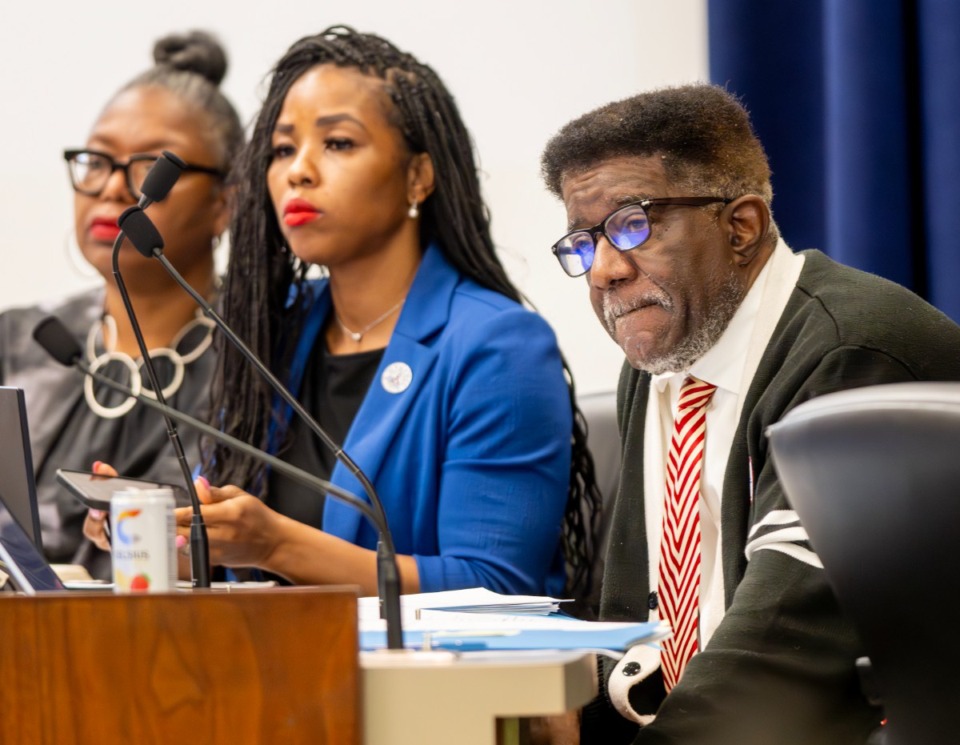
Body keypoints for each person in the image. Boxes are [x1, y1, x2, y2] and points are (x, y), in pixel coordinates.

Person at [539, 83, 960, 744]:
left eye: (631, 224)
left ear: (742, 226)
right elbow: (641, 630)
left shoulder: (850, 352)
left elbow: (784, 647)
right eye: (585, 243)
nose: (604, 272)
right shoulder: (657, 366)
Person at [142, 26, 598, 598]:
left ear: (418, 177)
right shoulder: (272, 330)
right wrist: (159, 539)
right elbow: (238, 572)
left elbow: (495, 586)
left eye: (337, 143)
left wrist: (275, 544)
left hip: (434, 682)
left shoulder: (498, 345)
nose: (298, 172)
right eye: (283, 149)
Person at [0, 31, 244, 579]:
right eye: (96, 161)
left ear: (226, 203)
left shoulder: (255, 354)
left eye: (148, 168)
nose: (111, 188)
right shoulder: (22, 337)